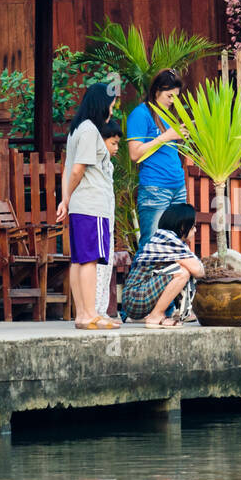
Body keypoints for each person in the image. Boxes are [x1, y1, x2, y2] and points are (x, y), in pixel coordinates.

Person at [57, 82, 123, 330]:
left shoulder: (78, 130)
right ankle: (88, 313)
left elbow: (68, 169)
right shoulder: (89, 131)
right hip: (91, 204)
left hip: (81, 205)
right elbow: (77, 170)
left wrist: (66, 199)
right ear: (101, 104)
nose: (112, 111)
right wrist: (66, 198)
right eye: (111, 105)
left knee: (79, 260)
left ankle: (83, 314)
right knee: (89, 260)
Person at [126, 69, 187, 252]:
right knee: (152, 246)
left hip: (178, 186)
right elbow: (135, 154)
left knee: (176, 246)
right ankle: (141, 281)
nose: (172, 101)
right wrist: (166, 136)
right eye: (169, 96)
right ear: (156, 91)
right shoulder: (141, 114)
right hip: (155, 189)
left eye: (176, 97)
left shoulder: (169, 115)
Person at [120, 203, 204, 328]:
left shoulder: (164, 238)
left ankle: (158, 315)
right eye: (193, 226)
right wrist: (184, 262)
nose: (195, 230)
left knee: (181, 269)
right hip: (134, 299)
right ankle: (156, 316)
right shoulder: (168, 240)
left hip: (134, 299)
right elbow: (199, 271)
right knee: (182, 273)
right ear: (182, 226)